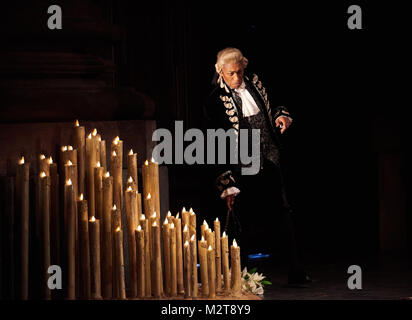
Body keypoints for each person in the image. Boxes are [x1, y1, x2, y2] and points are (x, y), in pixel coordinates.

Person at [202, 47, 311, 286]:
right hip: (242, 165)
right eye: (231, 74)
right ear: (221, 72)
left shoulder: (257, 84)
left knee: (284, 214)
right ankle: (239, 277)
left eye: (240, 72)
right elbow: (215, 141)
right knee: (243, 221)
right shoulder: (214, 101)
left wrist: (282, 116)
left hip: (270, 157)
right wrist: (226, 182)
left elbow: (278, 102)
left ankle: (296, 271)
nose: (237, 78)